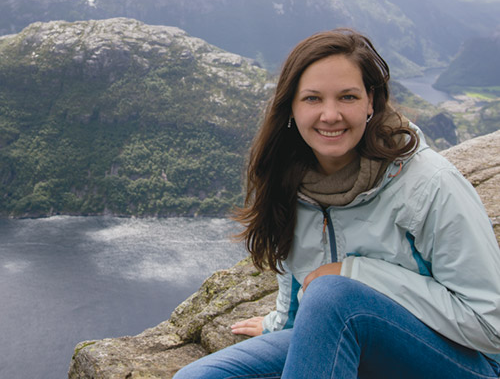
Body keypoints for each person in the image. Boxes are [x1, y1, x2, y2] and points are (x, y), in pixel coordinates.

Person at [174, 28, 500, 378]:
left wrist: (356, 274)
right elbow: (301, 282)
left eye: (347, 97)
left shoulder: (429, 184)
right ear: (291, 108)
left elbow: (490, 326)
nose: (330, 115)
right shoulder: (289, 181)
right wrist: (279, 325)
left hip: (461, 362)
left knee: (333, 296)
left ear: (370, 101)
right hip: (349, 337)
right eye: (313, 99)